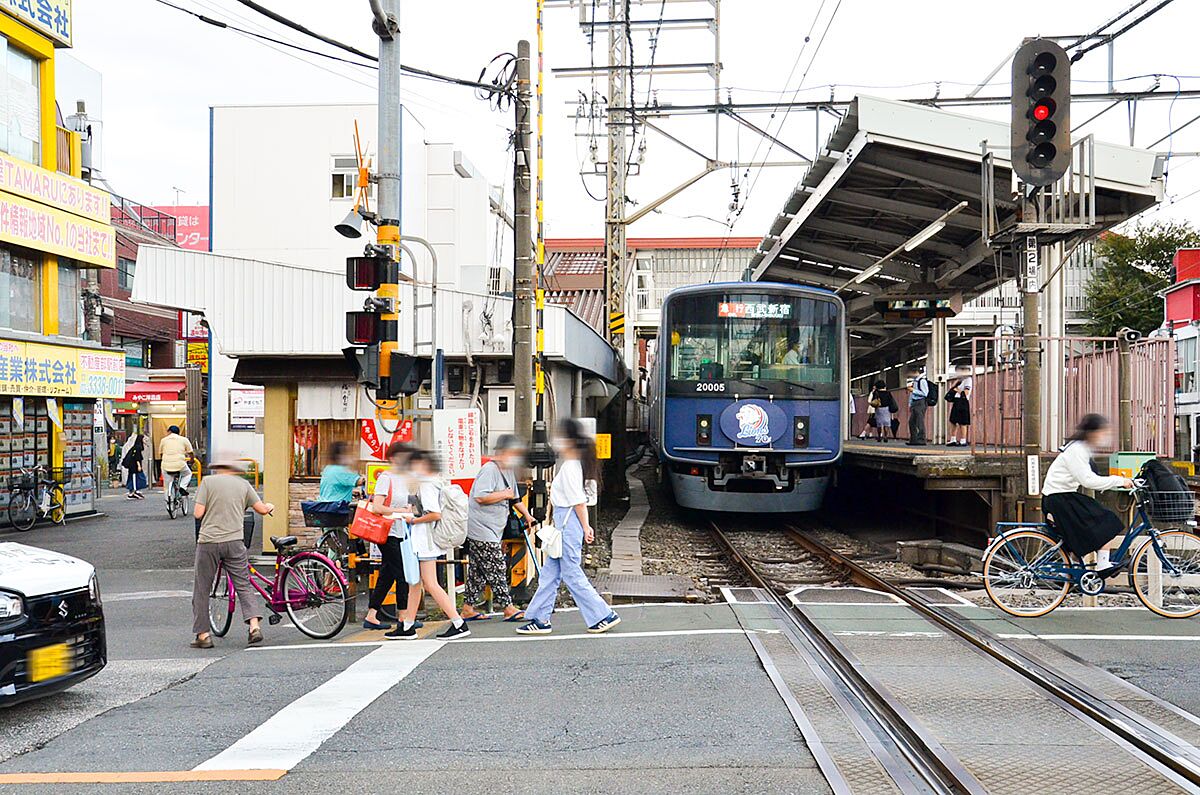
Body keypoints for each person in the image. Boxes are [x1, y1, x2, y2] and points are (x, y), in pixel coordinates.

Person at [517, 419, 620, 636]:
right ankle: (540, 618)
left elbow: (578, 501)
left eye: (561, 438)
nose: (557, 442)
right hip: (565, 523)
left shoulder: (572, 466)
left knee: (571, 572)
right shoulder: (576, 465)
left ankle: (602, 615)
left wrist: (586, 527)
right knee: (549, 573)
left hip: (568, 523)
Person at [190, 458, 275, 648]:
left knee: (202, 588)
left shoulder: (208, 482)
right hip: (235, 541)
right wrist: (270, 507)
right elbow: (261, 509)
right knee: (243, 584)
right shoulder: (243, 485)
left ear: (217, 469)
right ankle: (254, 627)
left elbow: (197, 512)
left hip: (209, 542)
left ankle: (203, 635)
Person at [391, 449, 470, 640]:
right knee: (415, 583)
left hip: (425, 540)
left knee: (430, 583)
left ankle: (459, 623)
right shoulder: (434, 482)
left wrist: (412, 520)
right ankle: (408, 626)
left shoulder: (426, 485)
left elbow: (435, 514)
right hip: (424, 540)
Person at [461, 434, 537, 622]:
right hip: (481, 527)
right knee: (496, 565)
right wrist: (504, 494)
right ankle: (508, 607)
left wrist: (527, 516)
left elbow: (514, 498)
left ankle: (468, 609)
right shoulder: (489, 470)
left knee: (478, 571)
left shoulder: (508, 471)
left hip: (494, 528)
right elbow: (480, 496)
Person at [1042, 414, 1133, 560]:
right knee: (1106, 522)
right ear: (1092, 433)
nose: (1105, 437)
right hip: (1061, 499)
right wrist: (1119, 481)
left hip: (1059, 498)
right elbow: (1088, 480)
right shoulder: (1077, 450)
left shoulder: (1079, 448)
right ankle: (1103, 566)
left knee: (1083, 538)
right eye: (1103, 432)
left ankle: (1069, 573)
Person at [361, 442, 414, 633]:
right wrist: (400, 511)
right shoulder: (386, 477)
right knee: (402, 574)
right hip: (388, 532)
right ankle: (403, 617)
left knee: (388, 574)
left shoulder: (404, 478)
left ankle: (372, 615)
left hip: (401, 531)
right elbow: (377, 507)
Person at [158, 425, 195, 503]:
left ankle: (169, 502)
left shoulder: (164, 440)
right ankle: (182, 487)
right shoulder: (184, 440)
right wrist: (191, 460)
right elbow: (190, 452)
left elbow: (161, 453)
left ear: (169, 431)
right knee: (188, 474)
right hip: (180, 464)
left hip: (166, 465)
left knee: (167, 485)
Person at [945, 366, 973, 447]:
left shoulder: (968, 380)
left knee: (963, 422)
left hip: (963, 401)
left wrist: (957, 389)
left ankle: (963, 440)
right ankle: (953, 439)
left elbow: (966, 392)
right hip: (956, 401)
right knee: (953, 421)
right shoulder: (960, 380)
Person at [906, 367, 930, 446]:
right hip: (915, 403)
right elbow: (912, 395)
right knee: (912, 422)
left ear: (916, 372)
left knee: (920, 421)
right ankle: (914, 439)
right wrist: (910, 404)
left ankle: (921, 439)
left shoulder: (922, 381)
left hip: (920, 402)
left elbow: (925, 393)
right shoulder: (915, 381)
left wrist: (913, 390)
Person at [121, 434, 146, 500]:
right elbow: (137, 458)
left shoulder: (135, 447)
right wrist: (139, 466)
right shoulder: (138, 447)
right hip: (134, 466)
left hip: (132, 466)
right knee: (135, 478)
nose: (144, 440)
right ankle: (134, 491)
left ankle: (134, 491)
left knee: (134, 478)